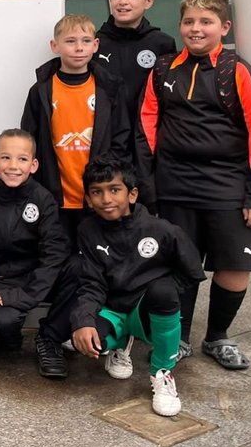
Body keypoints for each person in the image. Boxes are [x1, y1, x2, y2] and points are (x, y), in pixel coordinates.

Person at [137, 0, 251, 370]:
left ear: (224, 27)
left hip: (227, 186)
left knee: (234, 266)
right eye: (189, 21)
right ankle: (178, 338)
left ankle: (218, 337)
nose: (195, 29)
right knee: (180, 265)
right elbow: (146, 129)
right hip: (174, 185)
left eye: (205, 22)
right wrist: (149, 188)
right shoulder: (163, 70)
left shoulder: (239, 72)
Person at [37, 157, 203, 416]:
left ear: (132, 194)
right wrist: (83, 321)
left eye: (114, 190)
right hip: (111, 309)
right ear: (89, 200)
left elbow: (192, 272)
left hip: (145, 309)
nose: (106, 199)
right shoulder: (88, 230)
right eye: (97, 192)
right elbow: (91, 282)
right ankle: (119, 344)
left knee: (163, 290)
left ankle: (162, 373)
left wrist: (161, 300)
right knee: (86, 341)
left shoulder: (161, 230)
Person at [0, 129, 74, 370]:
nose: (13, 166)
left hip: (30, 279)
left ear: (33, 165)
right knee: (6, 321)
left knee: (77, 267)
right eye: (5, 157)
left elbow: (54, 256)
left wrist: (25, 295)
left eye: (22, 159)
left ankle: (49, 338)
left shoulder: (43, 200)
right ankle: (8, 332)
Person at [21, 14, 131, 243]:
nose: (79, 48)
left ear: (95, 45)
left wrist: (109, 179)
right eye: (70, 41)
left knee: (99, 257)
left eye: (86, 41)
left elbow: (122, 137)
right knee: (60, 257)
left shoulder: (108, 88)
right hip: (55, 194)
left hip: (98, 194)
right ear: (55, 46)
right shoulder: (41, 90)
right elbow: (28, 140)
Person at [94, 0, 177, 138]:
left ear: (149, 1)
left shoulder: (163, 44)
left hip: (147, 135)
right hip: (106, 136)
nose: (123, 1)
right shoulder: (96, 43)